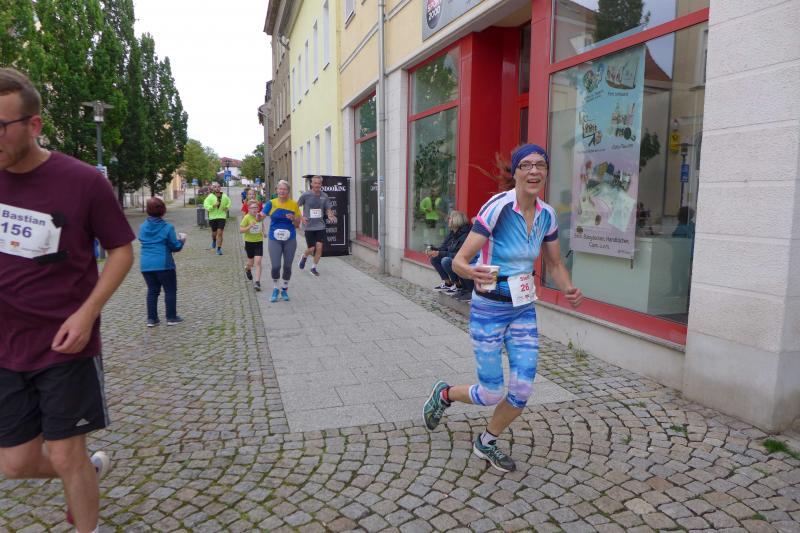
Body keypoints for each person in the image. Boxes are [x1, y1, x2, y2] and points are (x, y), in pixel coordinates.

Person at [0, 67, 135, 533]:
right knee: (15, 463)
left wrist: (87, 313)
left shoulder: (81, 181)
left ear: (33, 125)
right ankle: (86, 473)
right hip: (5, 345)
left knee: (64, 452)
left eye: (1, 126)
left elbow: (121, 250)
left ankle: (86, 515)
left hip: (65, 341)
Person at [422, 144, 584, 473]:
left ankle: (487, 441)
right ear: (516, 172)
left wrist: (567, 286)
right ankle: (445, 395)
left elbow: (554, 263)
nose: (534, 171)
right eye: (526, 165)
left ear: (546, 171)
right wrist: (471, 272)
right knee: (491, 392)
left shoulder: (547, 215)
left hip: (523, 309)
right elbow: (459, 260)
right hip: (489, 311)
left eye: (541, 165)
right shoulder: (498, 207)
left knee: (522, 389)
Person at [138, 197, 186, 326]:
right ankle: (171, 317)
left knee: (152, 291)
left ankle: (152, 319)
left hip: (146, 264)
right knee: (170, 290)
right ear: (163, 211)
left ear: (148, 210)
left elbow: (143, 240)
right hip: (163, 264)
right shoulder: (168, 227)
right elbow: (175, 246)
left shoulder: (142, 227)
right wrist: (182, 240)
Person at [262, 180, 301, 302]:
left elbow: (297, 225)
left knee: (287, 266)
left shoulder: (293, 204)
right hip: (274, 239)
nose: (282, 191)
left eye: (284, 189)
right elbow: (261, 216)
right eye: (280, 189)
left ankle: (284, 289)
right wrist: (257, 217)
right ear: (277, 190)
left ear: (288, 191)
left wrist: (294, 218)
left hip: (290, 239)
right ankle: (275, 288)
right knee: (276, 266)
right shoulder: (271, 203)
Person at [297, 175, 336, 277]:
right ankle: (304, 256)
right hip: (309, 226)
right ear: (311, 184)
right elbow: (296, 207)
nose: (317, 185)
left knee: (319, 247)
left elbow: (328, 208)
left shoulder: (324, 196)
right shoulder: (306, 195)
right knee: (311, 249)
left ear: (321, 184)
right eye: (315, 183)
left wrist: (330, 215)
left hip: (320, 226)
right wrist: (301, 217)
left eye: (319, 183)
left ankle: (313, 268)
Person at [427, 210, 471, 295]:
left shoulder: (465, 235)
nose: (448, 220)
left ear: (456, 220)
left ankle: (458, 285)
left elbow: (459, 255)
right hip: (453, 258)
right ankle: (448, 283)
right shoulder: (452, 233)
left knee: (446, 260)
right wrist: (433, 250)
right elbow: (443, 248)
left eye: (450, 218)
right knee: (434, 259)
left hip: (462, 260)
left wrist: (439, 253)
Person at [240, 200, 265, 291]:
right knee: (250, 263)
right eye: (252, 208)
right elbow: (241, 230)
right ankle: (247, 269)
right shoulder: (246, 217)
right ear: (249, 209)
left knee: (258, 261)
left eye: (256, 208)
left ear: (258, 209)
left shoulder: (259, 216)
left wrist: (264, 232)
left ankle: (257, 282)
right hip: (249, 242)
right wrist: (249, 226)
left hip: (259, 241)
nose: (254, 209)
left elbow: (262, 224)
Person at [203, 182, 231, 255]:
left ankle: (219, 249)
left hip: (222, 216)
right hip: (212, 217)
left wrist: (227, 207)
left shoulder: (224, 196)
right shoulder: (210, 197)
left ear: (220, 188)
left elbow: (229, 202)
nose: (217, 188)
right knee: (214, 233)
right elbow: (206, 205)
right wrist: (213, 206)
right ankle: (214, 240)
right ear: (213, 188)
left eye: (218, 187)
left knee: (220, 233)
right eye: (215, 187)